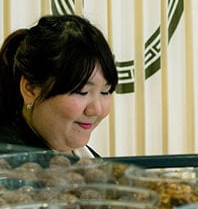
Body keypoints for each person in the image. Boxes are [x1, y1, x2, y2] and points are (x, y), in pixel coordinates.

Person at [0, 14, 118, 157]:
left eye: (105, 92)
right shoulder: (11, 166)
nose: (96, 110)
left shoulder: (86, 158)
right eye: (82, 92)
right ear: (30, 89)